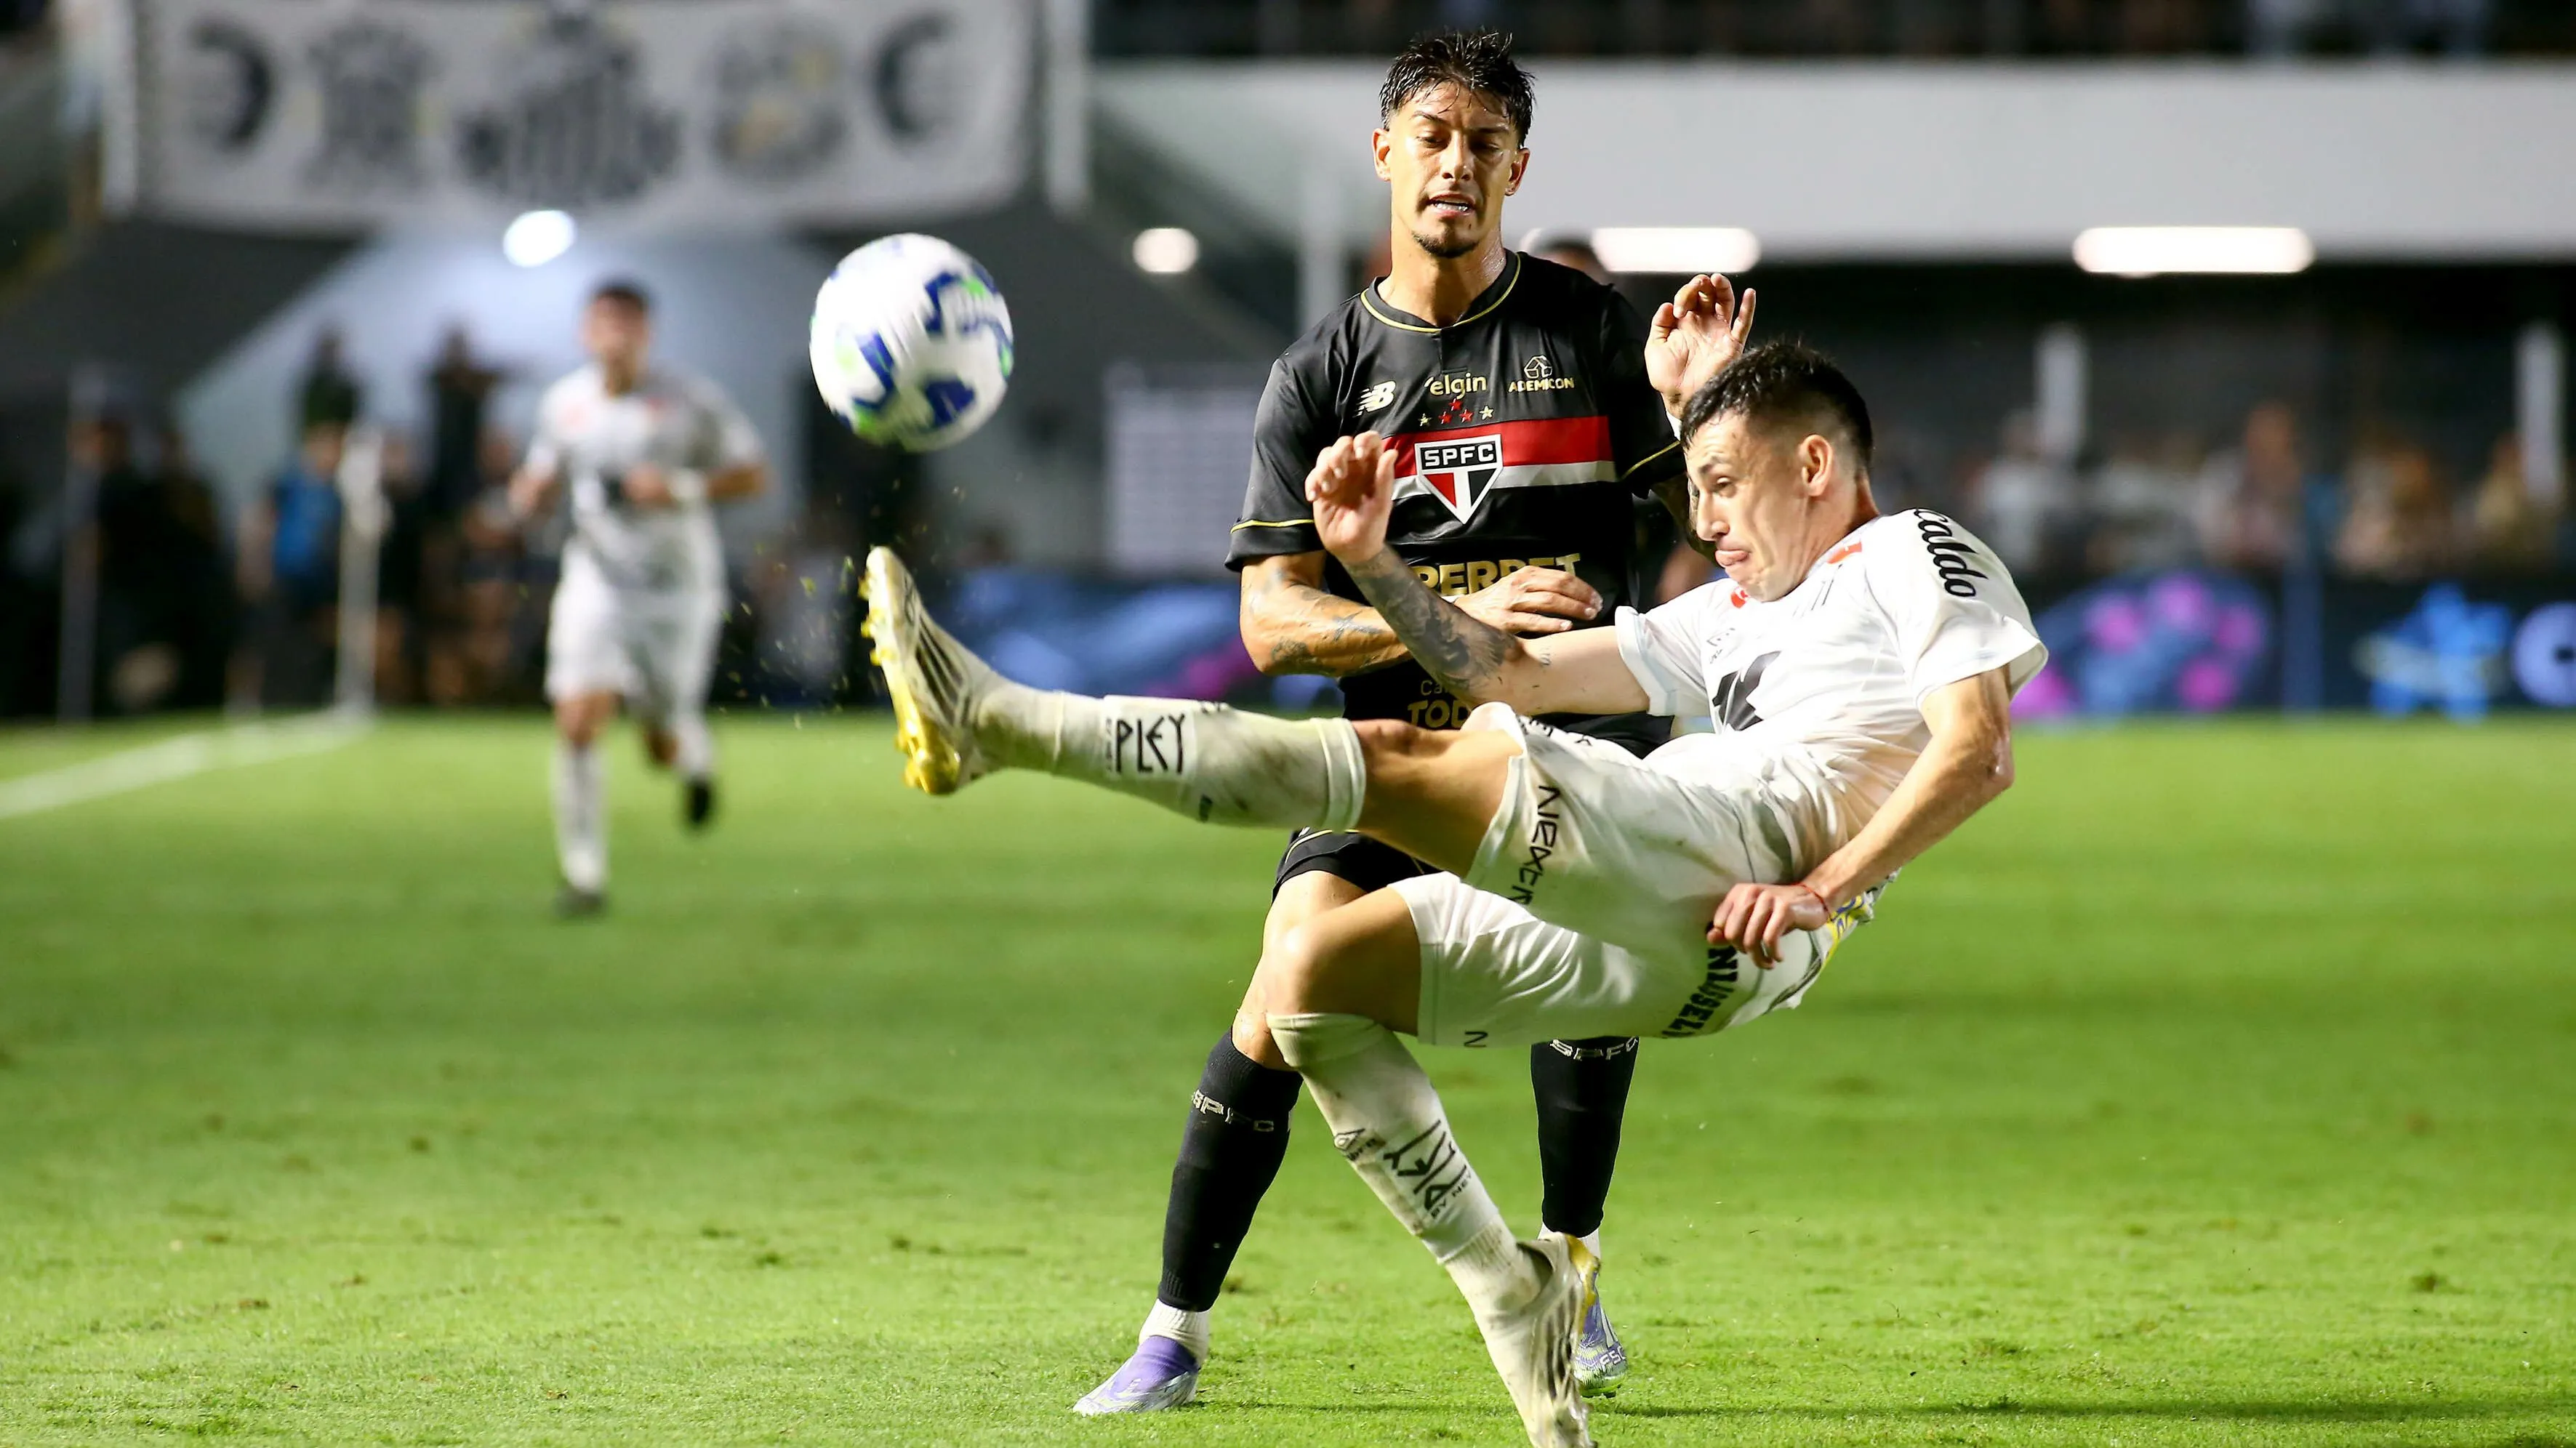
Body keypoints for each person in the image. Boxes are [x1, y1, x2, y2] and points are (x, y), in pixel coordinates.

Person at [861, 337, 2043, 1446]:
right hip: (1689, 949)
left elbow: (1978, 747)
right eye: (1695, 490)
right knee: (1304, 978)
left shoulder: (1905, 553)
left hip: (1743, 859)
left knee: (1389, 762)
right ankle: (1507, 1281)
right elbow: (1510, 669)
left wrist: (1823, 886)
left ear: (1819, 467)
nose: (1706, 520)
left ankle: (999, 724)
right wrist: (1373, 558)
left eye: (1725, 485)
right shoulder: (1728, 614)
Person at [1069, 31, 1725, 1415]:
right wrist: (1457, 610)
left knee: (1587, 974)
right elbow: (1269, 626)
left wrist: (1699, 406)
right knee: (1284, 978)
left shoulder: (1591, 331)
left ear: (1516, 169)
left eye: (1485, 143)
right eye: (1432, 134)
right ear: (1385, 152)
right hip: (1391, 760)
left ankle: (1570, 1267)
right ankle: (1173, 1332)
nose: (1455, 164)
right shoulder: (1315, 375)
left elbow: (1728, 533)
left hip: (1571, 754)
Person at [508, 279, 768, 917]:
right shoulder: (564, 403)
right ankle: (585, 876)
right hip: (596, 579)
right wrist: (528, 496)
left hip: (676, 589)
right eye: (602, 321)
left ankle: (695, 762)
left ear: (646, 333)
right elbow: (541, 475)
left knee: (659, 740)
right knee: (577, 719)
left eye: (626, 322)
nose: (614, 334)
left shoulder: (688, 399)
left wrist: (677, 488)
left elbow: (754, 472)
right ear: (584, 332)